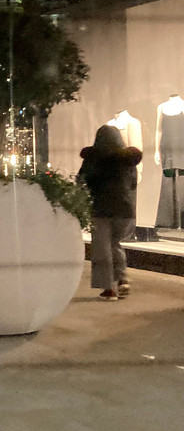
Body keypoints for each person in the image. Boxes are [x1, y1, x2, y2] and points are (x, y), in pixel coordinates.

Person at [78, 125, 142, 301]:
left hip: (101, 209)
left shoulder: (93, 159)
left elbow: (82, 182)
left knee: (101, 248)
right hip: (124, 210)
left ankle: (109, 289)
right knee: (115, 244)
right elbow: (133, 184)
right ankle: (122, 279)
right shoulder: (128, 160)